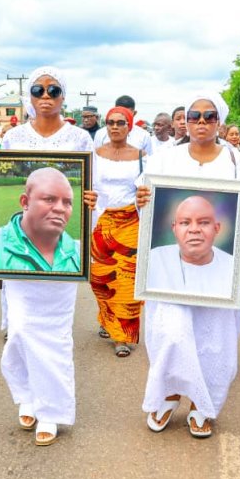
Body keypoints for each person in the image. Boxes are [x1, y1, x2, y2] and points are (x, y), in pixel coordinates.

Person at [137, 92, 240, 439]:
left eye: (209, 116)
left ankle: (203, 405)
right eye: (195, 116)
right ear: (185, 120)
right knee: (170, 331)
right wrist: (142, 200)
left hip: (223, 268)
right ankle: (167, 394)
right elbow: (147, 211)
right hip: (171, 268)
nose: (202, 122)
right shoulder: (163, 160)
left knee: (213, 338)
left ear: (219, 121)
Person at [0, 66, 97, 446]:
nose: (45, 95)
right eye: (38, 89)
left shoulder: (80, 137)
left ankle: (51, 410)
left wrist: (90, 201)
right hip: (18, 257)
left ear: (64, 95)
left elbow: (88, 189)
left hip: (62, 256)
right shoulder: (14, 136)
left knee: (54, 335)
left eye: (53, 89)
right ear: (28, 96)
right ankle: (27, 394)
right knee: (18, 329)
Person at [90, 106, 144, 358]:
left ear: (129, 126)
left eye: (120, 122)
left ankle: (122, 336)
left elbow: (147, 189)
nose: (114, 127)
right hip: (100, 222)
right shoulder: (95, 154)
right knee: (101, 278)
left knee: (126, 281)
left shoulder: (141, 156)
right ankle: (107, 317)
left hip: (130, 223)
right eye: (110, 122)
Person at [0, 167, 81, 273]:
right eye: (49, 199)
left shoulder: (79, 252)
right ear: (25, 202)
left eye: (67, 202)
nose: (60, 208)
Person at [147, 195, 235, 297]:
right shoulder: (154, 260)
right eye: (185, 223)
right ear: (174, 228)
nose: (194, 229)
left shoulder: (232, 268)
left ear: (217, 228)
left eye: (203, 222)